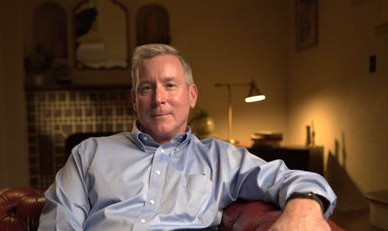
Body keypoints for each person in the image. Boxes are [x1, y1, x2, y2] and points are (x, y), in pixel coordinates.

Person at [38, 44, 337, 230]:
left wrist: (305, 207)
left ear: (192, 95)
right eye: (146, 88)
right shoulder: (88, 153)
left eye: (170, 85)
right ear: (133, 99)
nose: (159, 99)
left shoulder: (221, 159)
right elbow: (58, 223)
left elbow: (293, 179)